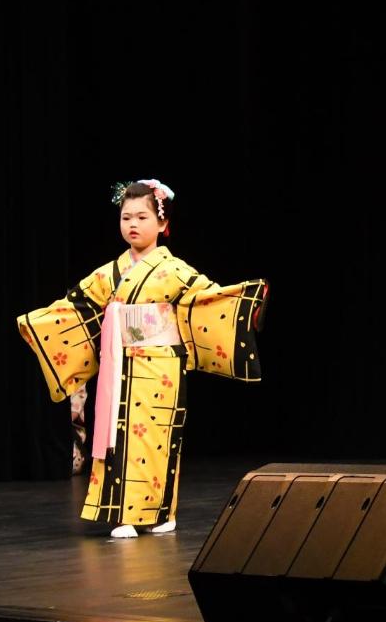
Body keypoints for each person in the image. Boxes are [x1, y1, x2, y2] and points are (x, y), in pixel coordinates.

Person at [18, 179, 269, 538]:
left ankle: (162, 512)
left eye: (141, 217)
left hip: (160, 365)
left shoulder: (175, 269)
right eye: (125, 217)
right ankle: (125, 515)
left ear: (162, 225)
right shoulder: (110, 272)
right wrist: (37, 324)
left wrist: (247, 303)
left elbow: (209, 299)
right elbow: (77, 306)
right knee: (118, 439)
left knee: (156, 440)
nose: (132, 224)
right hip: (119, 365)